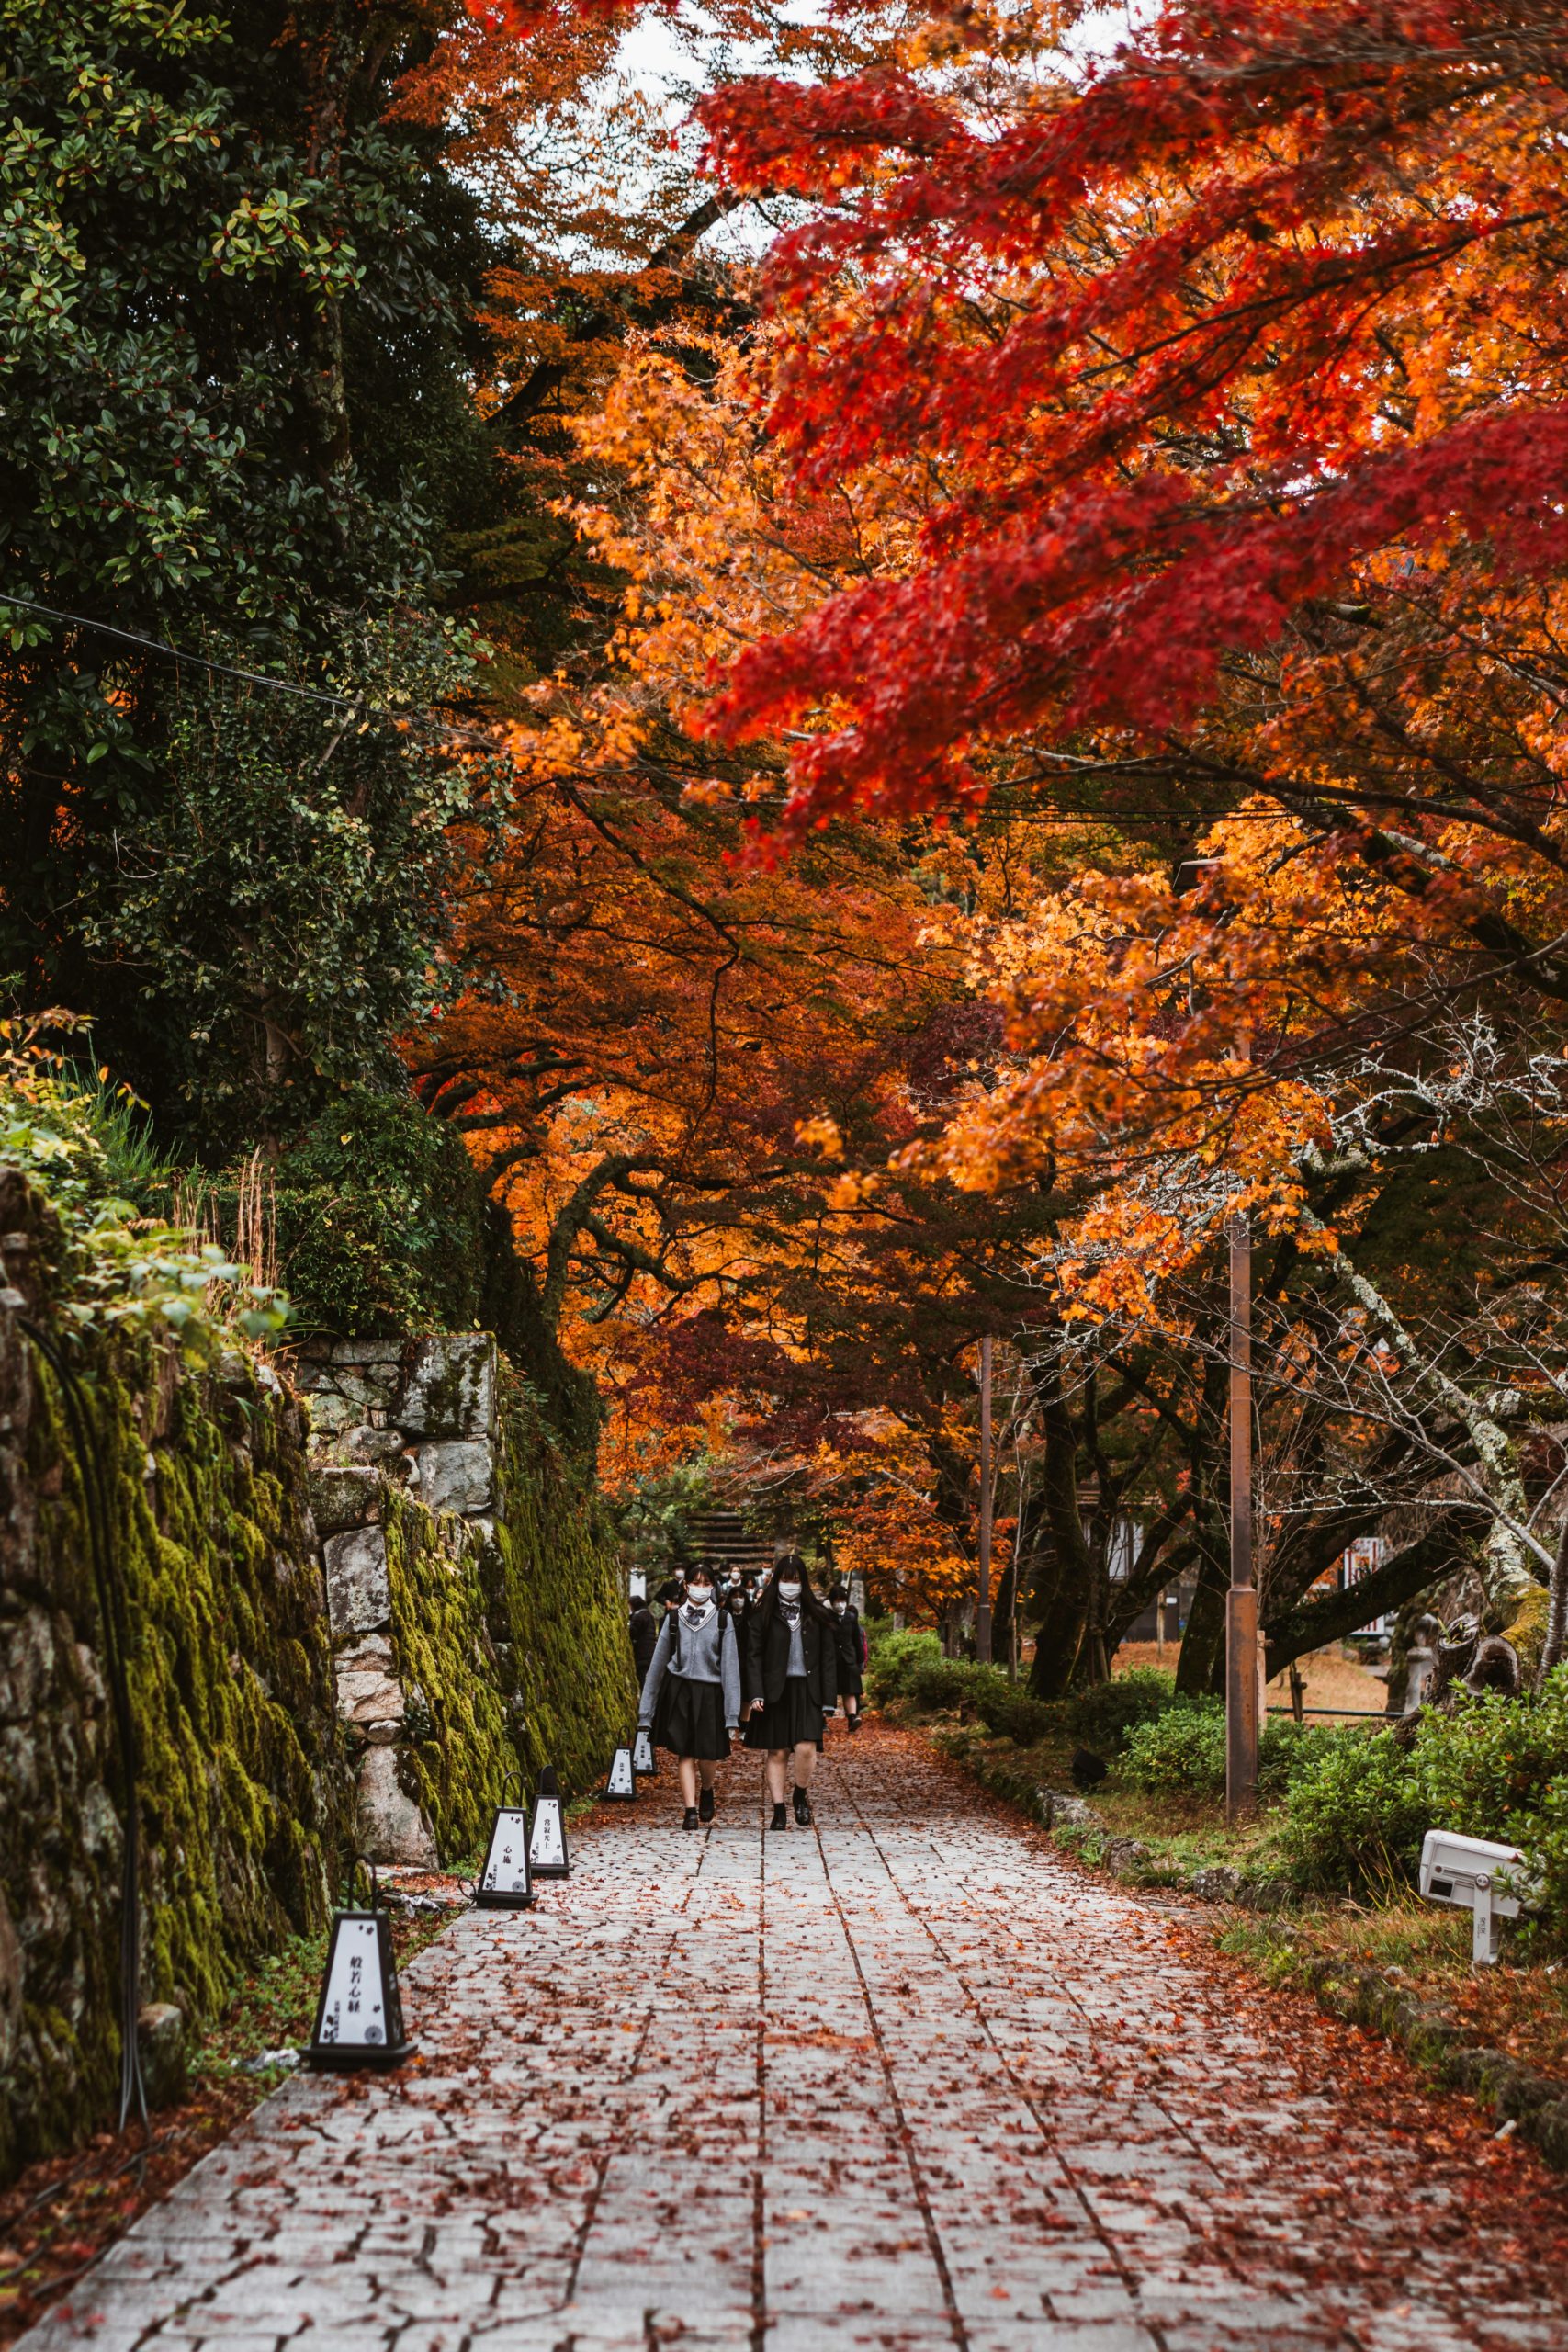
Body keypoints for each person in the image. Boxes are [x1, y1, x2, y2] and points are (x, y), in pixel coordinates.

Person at [638, 1561, 741, 1827]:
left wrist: (732, 1715)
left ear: (713, 1587)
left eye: (706, 1583)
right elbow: (657, 1665)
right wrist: (645, 1712)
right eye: (696, 1582)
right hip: (681, 1690)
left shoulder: (722, 1619)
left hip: (710, 1692)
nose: (701, 1588)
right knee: (685, 1752)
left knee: (707, 1754)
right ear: (686, 1586)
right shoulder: (674, 1619)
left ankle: (707, 1789)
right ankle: (690, 1810)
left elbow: (730, 1667)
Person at [743, 1555, 837, 1828]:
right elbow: (753, 1656)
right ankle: (778, 1808)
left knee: (806, 1748)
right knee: (778, 1752)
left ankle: (799, 1793)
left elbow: (828, 1659)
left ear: (803, 1582)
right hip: (774, 1691)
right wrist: (756, 1693)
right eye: (786, 1579)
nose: (790, 1585)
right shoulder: (763, 1614)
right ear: (777, 1580)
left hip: (808, 1689)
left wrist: (829, 1699)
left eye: (795, 1580)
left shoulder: (818, 1614)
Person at [827, 1583, 865, 1732]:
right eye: (836, 1601)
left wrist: (861, 1659)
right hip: (832, 1659)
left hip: (849, 1658)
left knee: (850, 1689)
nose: (840, 1604)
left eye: (842, 1600)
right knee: (828, 1688)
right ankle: (822, 1720)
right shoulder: (826, 1617)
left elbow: (857, 1639)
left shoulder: (851, 1617)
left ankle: (852, 1718)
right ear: (831, 1602)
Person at [628, 1591, 658, 1683]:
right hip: (650, 1652)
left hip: (642, 1653)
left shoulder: (638, 1616)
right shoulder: (648, 1614)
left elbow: (632, 1632)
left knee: (642, 1678)